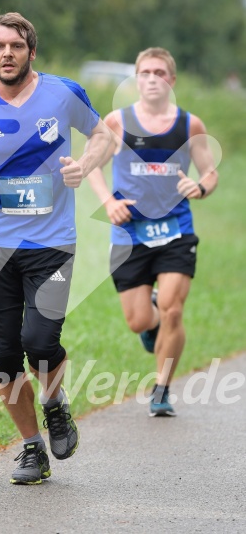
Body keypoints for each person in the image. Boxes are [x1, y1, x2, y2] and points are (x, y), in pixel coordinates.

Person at [0, 12, 110, 483]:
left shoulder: (64, 93)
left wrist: (86, 165)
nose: (7, 53)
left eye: (16, 46)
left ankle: (55, 404)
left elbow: (104, 135)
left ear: (31, 51)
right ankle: (32, 449)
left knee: (39, 342)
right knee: (4, 360)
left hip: (52, 244)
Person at [87, 47, 218, 417]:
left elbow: (209, 171)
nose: (152, 79)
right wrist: (108, 203)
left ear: (171, 81)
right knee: (139, 321)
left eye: (160, 73)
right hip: (130, 234)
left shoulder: (190, 125)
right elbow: (91, 165)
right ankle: (153, 320)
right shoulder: (118, 121)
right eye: (145, 73)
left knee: (174, 310)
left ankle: (161, 389)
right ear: (136, 80)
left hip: (177, 230)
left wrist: (201, 187)